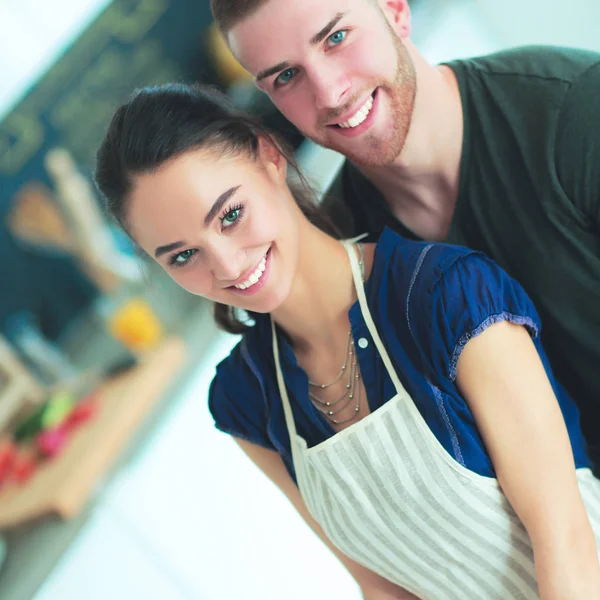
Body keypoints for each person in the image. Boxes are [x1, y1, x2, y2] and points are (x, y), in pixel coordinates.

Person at [94, 82, 600, 600]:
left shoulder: (444, 296)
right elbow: (382, 589)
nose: (227, 265)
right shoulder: (246, 400)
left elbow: (567, 542)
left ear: (270, 157)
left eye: (230, 215)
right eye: (182, 256)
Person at [209, 0, 600, 470]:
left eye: (336, 38)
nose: (331, 94)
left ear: (394, 9)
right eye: (286, 77)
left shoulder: (576, 111)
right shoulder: (343, 249)